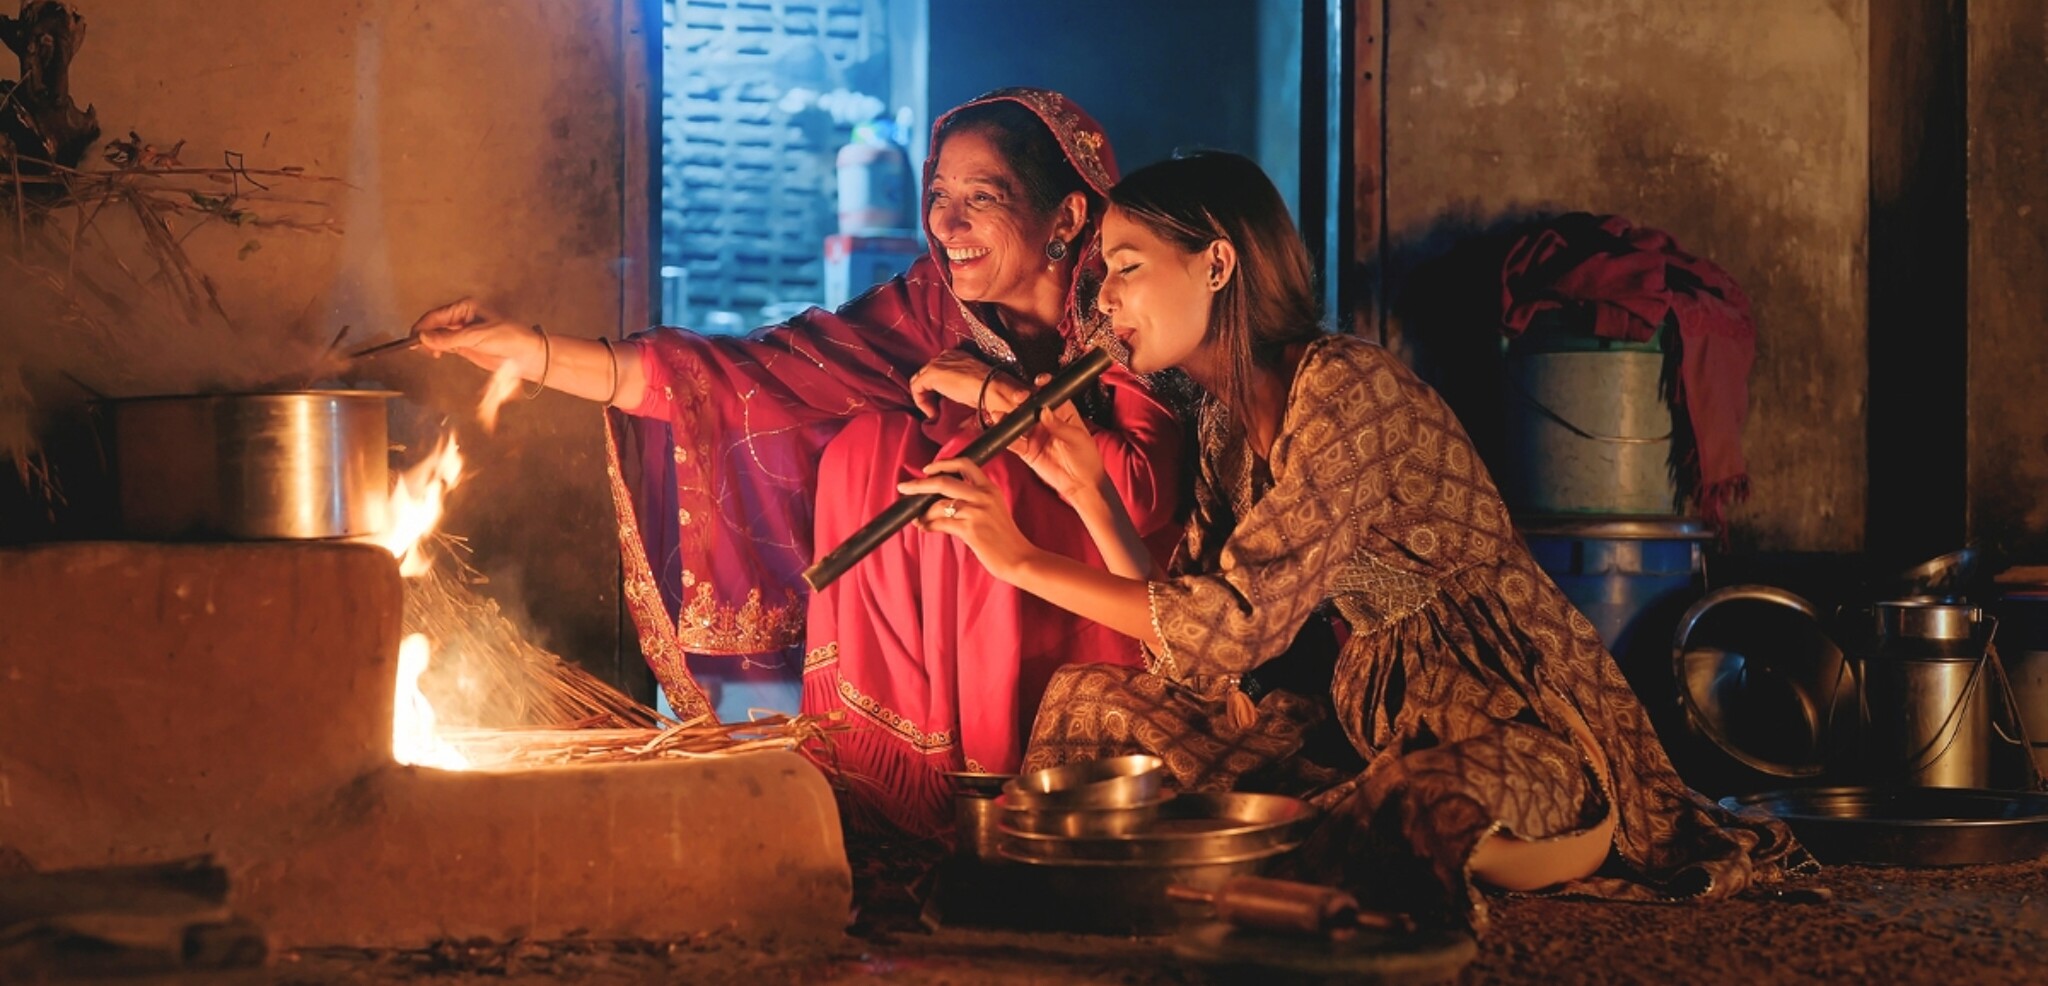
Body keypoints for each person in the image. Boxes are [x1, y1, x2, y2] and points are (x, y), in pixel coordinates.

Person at [899, 151, 1813, 927]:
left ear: (1217, 264)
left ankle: (1288, 855)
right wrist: (1091, 494)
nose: (1104, 302)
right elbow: (1194, 650)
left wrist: (1017, 558)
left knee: (1413, 802)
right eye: (1103, 275)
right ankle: (1246, 853)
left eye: (1126, 267)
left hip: (1519, 724)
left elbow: (1234, 626)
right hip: (1366, 723)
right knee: (1095, 699)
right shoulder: (1223, 424)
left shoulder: (1346, 388)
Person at [411, 89, 1184, 839]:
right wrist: (526, 353)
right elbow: (748, 376)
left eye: (981, 198)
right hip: (989, 608)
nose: (947, 224)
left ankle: (1006, 776)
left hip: (1116, 610)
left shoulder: (1123, 303)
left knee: (971, 471)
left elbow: (1141, 495)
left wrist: (992, 398)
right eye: (939, 195)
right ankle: (889, 783)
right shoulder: (931, 309)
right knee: (868, 451)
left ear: (1066, 217)